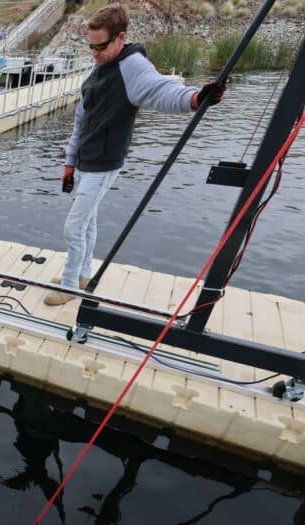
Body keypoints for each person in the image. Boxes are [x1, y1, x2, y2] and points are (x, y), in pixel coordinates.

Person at [44, 4, 227, 306]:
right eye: (91, 47)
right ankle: (82, 274)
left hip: (104, 163)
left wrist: (196, 98)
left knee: (73, 226)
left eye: (100, 46)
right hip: (86, 161)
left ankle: (68, 285)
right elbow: (81, 117)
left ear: (120, 38)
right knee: (87, 222)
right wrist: (69, 162)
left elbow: (162, 90)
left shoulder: (132, 66)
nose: (94, 53)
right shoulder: (100, 65)